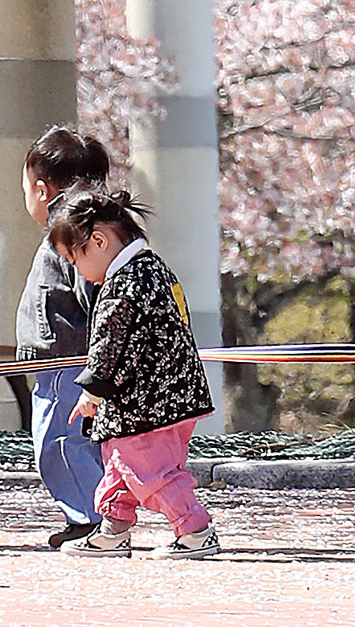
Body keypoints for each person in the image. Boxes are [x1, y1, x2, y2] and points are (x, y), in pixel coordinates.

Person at [47, 185, 218, 560]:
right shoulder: (155, 268)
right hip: (173, 396)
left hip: (146, 405)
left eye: (75, 260)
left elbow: (110, 342)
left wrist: (91, 391)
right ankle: (113, 529)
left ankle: (194, 529)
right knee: (121, 468)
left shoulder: (123, 283)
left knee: (151, 472)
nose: (80, 273)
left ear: (98, 241)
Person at [17, 124, 111, 548]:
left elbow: (94, 294)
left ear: (40, 189)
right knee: (80, 443)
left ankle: (93, 518)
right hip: (73, 362)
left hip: (65, 362)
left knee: (59, 443)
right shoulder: (91, 232)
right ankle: (92, 515)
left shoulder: (69, 238)